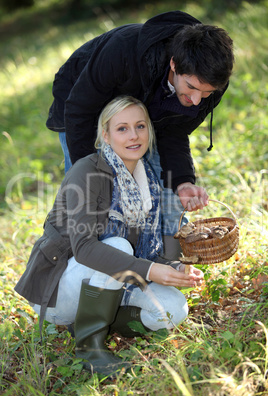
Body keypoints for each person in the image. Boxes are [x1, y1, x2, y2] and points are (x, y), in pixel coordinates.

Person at [15, 96, 204, 376]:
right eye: (122, 128)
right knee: (116, 246)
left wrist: (175, 270)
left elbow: (149, 254)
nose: (134, 136)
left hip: (116, 283)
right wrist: (151, 270)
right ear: (105, 134)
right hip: (60, 290)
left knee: (172, 310)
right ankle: (89, 347)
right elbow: (85, 250)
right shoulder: (87, 171)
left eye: (140, 126)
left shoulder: (148, 179)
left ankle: (100, 318)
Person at [46, 10, 234, 260]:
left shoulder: (211, 82)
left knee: (166, 186)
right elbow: (80, 111)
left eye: (206, 92)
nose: (196, 100)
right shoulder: (123, 51)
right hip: (84, 104)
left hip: (145, 108)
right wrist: (93, 175)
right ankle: (80, 271)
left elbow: (173, 132)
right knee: (92, 195)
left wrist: (182, 181)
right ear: (174, 64)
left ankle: (166, 262)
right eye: (191, 87)